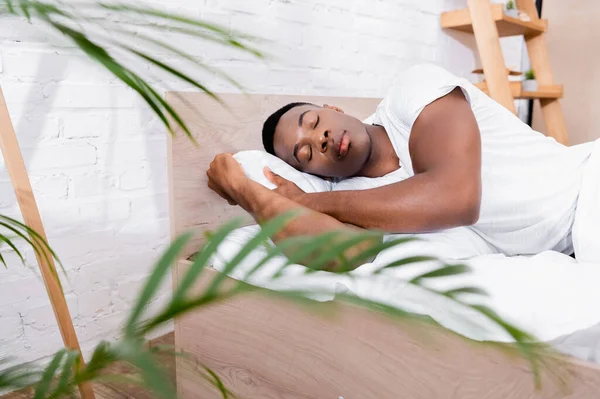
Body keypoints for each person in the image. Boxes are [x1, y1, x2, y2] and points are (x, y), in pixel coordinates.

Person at [207, 63, 596, 263]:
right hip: (569, 251)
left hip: (588, 189)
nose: (319, 138)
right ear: (310, 174)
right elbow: (339, 253)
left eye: (313, 122)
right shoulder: (356, 199)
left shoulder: (413, 92)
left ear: (332, 108)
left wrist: (311, 203)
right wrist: (245, 190)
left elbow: (456, 198)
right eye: (305, 154)